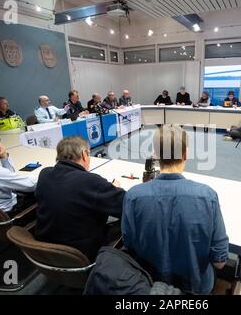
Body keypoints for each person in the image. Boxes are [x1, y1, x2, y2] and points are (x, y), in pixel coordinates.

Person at [122, 125, 229, 294]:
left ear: (156, 154)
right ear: (185, 154)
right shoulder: (207, 196)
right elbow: (220, 262)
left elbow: (129, 244)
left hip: (149, 284)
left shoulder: (133, 196)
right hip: (195, 288)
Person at [35, 137, 125, 261]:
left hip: (45, 250)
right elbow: (125, 205)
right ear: (84, 154)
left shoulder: (44, 174)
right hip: (80, 254)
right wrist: (114, 189)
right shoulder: (90, 181)